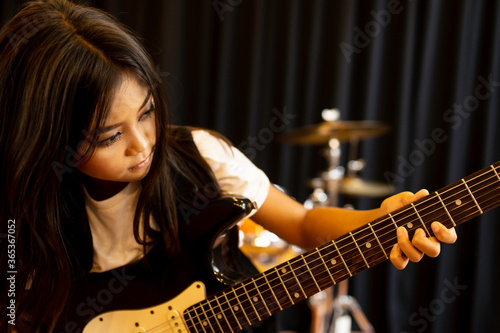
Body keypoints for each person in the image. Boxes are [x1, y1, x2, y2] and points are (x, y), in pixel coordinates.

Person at [0, 1, 457, 332]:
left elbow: (300, 222)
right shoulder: (19, 215)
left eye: (146, 112)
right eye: (108, 136)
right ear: (48, 139)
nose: (142, 145)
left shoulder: (201, 155)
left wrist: (378, 221)